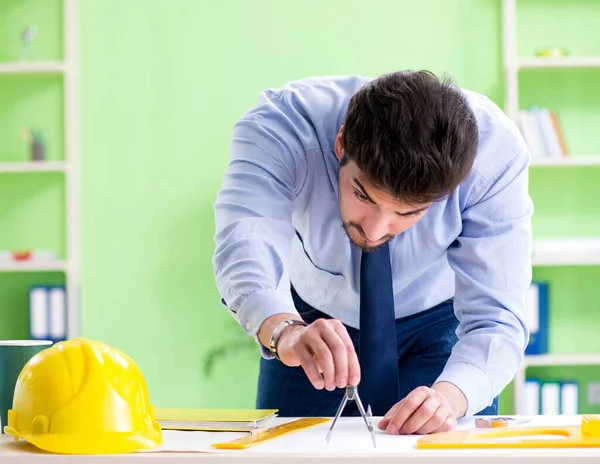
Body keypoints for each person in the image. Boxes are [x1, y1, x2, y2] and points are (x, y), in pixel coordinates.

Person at [212, 70, 533, 436]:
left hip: (442, 324)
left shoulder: (494, 158)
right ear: (341, 143)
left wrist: (451, 397)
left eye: (408, 212)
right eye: (363, 195)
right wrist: (284, 330)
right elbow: (246, 236)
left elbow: (497, 316)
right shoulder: (283, 125)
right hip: (312, 326)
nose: (375, 230)